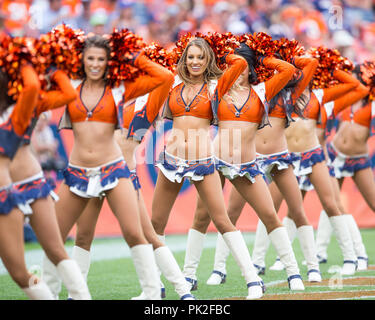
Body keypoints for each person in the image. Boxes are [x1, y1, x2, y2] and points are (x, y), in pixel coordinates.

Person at [41, 34, 172, 300]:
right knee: (54, 237)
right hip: (77, 172)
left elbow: (166, 78)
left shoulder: (119, 88)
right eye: (90, 58)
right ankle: (54, 294)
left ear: (109, 61)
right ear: (82, 59)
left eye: (101, 59)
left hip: (113, 169)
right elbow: (38, 84)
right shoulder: (69, 87)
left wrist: (134, 57)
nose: (96, 64)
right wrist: (56, 56)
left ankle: (152, 293)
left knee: (135, 232)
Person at [151, 37, 266, 300]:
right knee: (155, 223)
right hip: (171, 160)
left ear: (208, 61)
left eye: (201, 58)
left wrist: (219, 46)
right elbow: (148, 64)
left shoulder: (217, 85)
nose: (195, 62)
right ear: (183, 58)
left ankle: (253, 281)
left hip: (203, 161)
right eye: (190, 57)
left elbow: (237, 63)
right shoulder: (172, 82)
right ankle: (154, 286)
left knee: (222, 220)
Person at [183, 45, 306, 291]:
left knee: (269, 215)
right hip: (215, 162)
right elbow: (226, 68)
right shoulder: (219, 88)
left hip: (247, 165)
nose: (236, 69)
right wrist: (228, 54)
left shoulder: (261, 91)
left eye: (242, 65)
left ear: (251, 69)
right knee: (201, 217)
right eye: (231, 65)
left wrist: (262, 57)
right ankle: (189, 275)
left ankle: (294, 273)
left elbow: (288, 69)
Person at [65, 71, 196, 300]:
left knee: (146, 235)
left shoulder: (150, 100)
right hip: (92, 173)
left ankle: (183, 291)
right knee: (83, 236)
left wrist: (136, 58)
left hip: (123, 175)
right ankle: (76, 294)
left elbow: (165, 76)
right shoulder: (106, 95)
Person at [205, 54, 322, 285]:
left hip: (278, 157)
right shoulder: (233, 90)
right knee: (231, 214)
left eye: (246, 68)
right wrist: (235, 58)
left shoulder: (283, 93)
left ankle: (309, 267)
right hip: (251, 159)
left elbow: (294, 68)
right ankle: (220, 269)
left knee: (292, 211)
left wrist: (264, 56)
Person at [260, 67, 361, 276]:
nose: (300, 75)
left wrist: (331, 65)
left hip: (313, 155)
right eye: (296, 71)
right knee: (270, 208)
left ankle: (350, 257)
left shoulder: (320, 96)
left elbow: (355, 87)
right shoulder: (280, 94)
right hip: (287, 158)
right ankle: (259, 260)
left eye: (304, 71)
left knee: (331, 204)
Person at [10, 67, 92, 300]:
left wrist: (37, 65)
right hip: (5, 189)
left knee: (55, 248)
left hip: (32, 183)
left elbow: (67, 94)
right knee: (17, 270)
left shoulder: (31, 100)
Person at [0, 63, 53, 299]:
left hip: (3, 195)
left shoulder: (14, 114)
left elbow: (32, 85)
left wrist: (21, 58)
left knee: (20, 274)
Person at [314, 67, 372, 270]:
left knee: (372, 202)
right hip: (336, 156)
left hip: (358, 159)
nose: (354, 81)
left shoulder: (371, 104)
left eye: (357, 78)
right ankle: (320, 251)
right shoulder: (343, 101)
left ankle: (358, 255)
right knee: (332, 203)